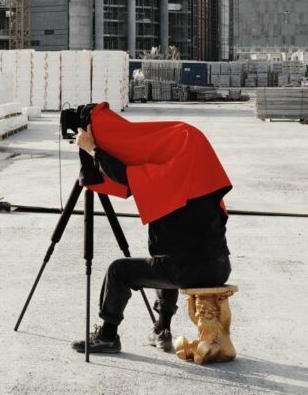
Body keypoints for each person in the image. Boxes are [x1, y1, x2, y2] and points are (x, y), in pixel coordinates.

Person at [70, 123, 232, 355]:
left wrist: (92, 149)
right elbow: (135, 178)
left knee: (119, 271)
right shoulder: (202, 178)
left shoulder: (168, 176)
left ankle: (107, 336)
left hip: (185, 270)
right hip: (220, 267)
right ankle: (161, 329)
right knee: (167, 259)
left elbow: (125, 175)